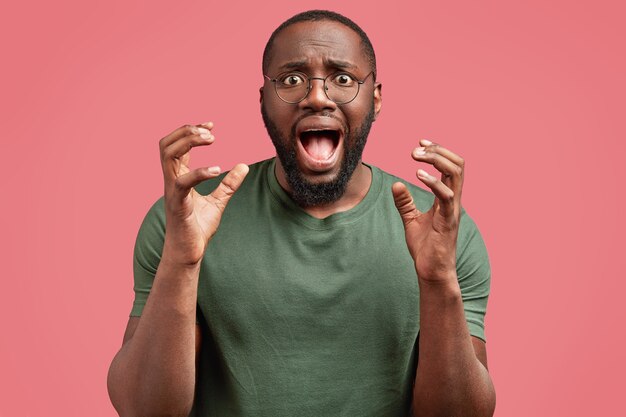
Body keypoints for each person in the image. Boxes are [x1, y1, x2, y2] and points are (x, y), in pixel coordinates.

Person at [107, 9, 495, 417]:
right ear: (263, 101)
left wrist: (438, 281)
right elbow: (145, 409)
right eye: (291, 80)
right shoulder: (186, 218)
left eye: (343, 79)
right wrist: (181, 262)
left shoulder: (442, 228)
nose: (316, 96)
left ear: (375, 99)